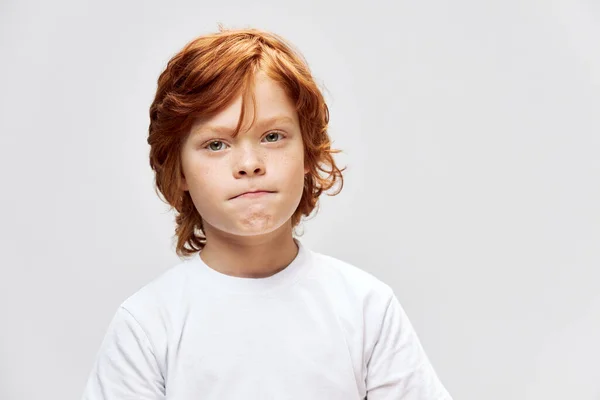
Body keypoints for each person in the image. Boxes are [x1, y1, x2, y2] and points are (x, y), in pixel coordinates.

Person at [81, 26, 452, 400]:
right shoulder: (147, 325)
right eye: (215, 144)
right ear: (178, 171)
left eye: (272, 136)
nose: (249, 164)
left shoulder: (366, 309)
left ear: (308, 152)